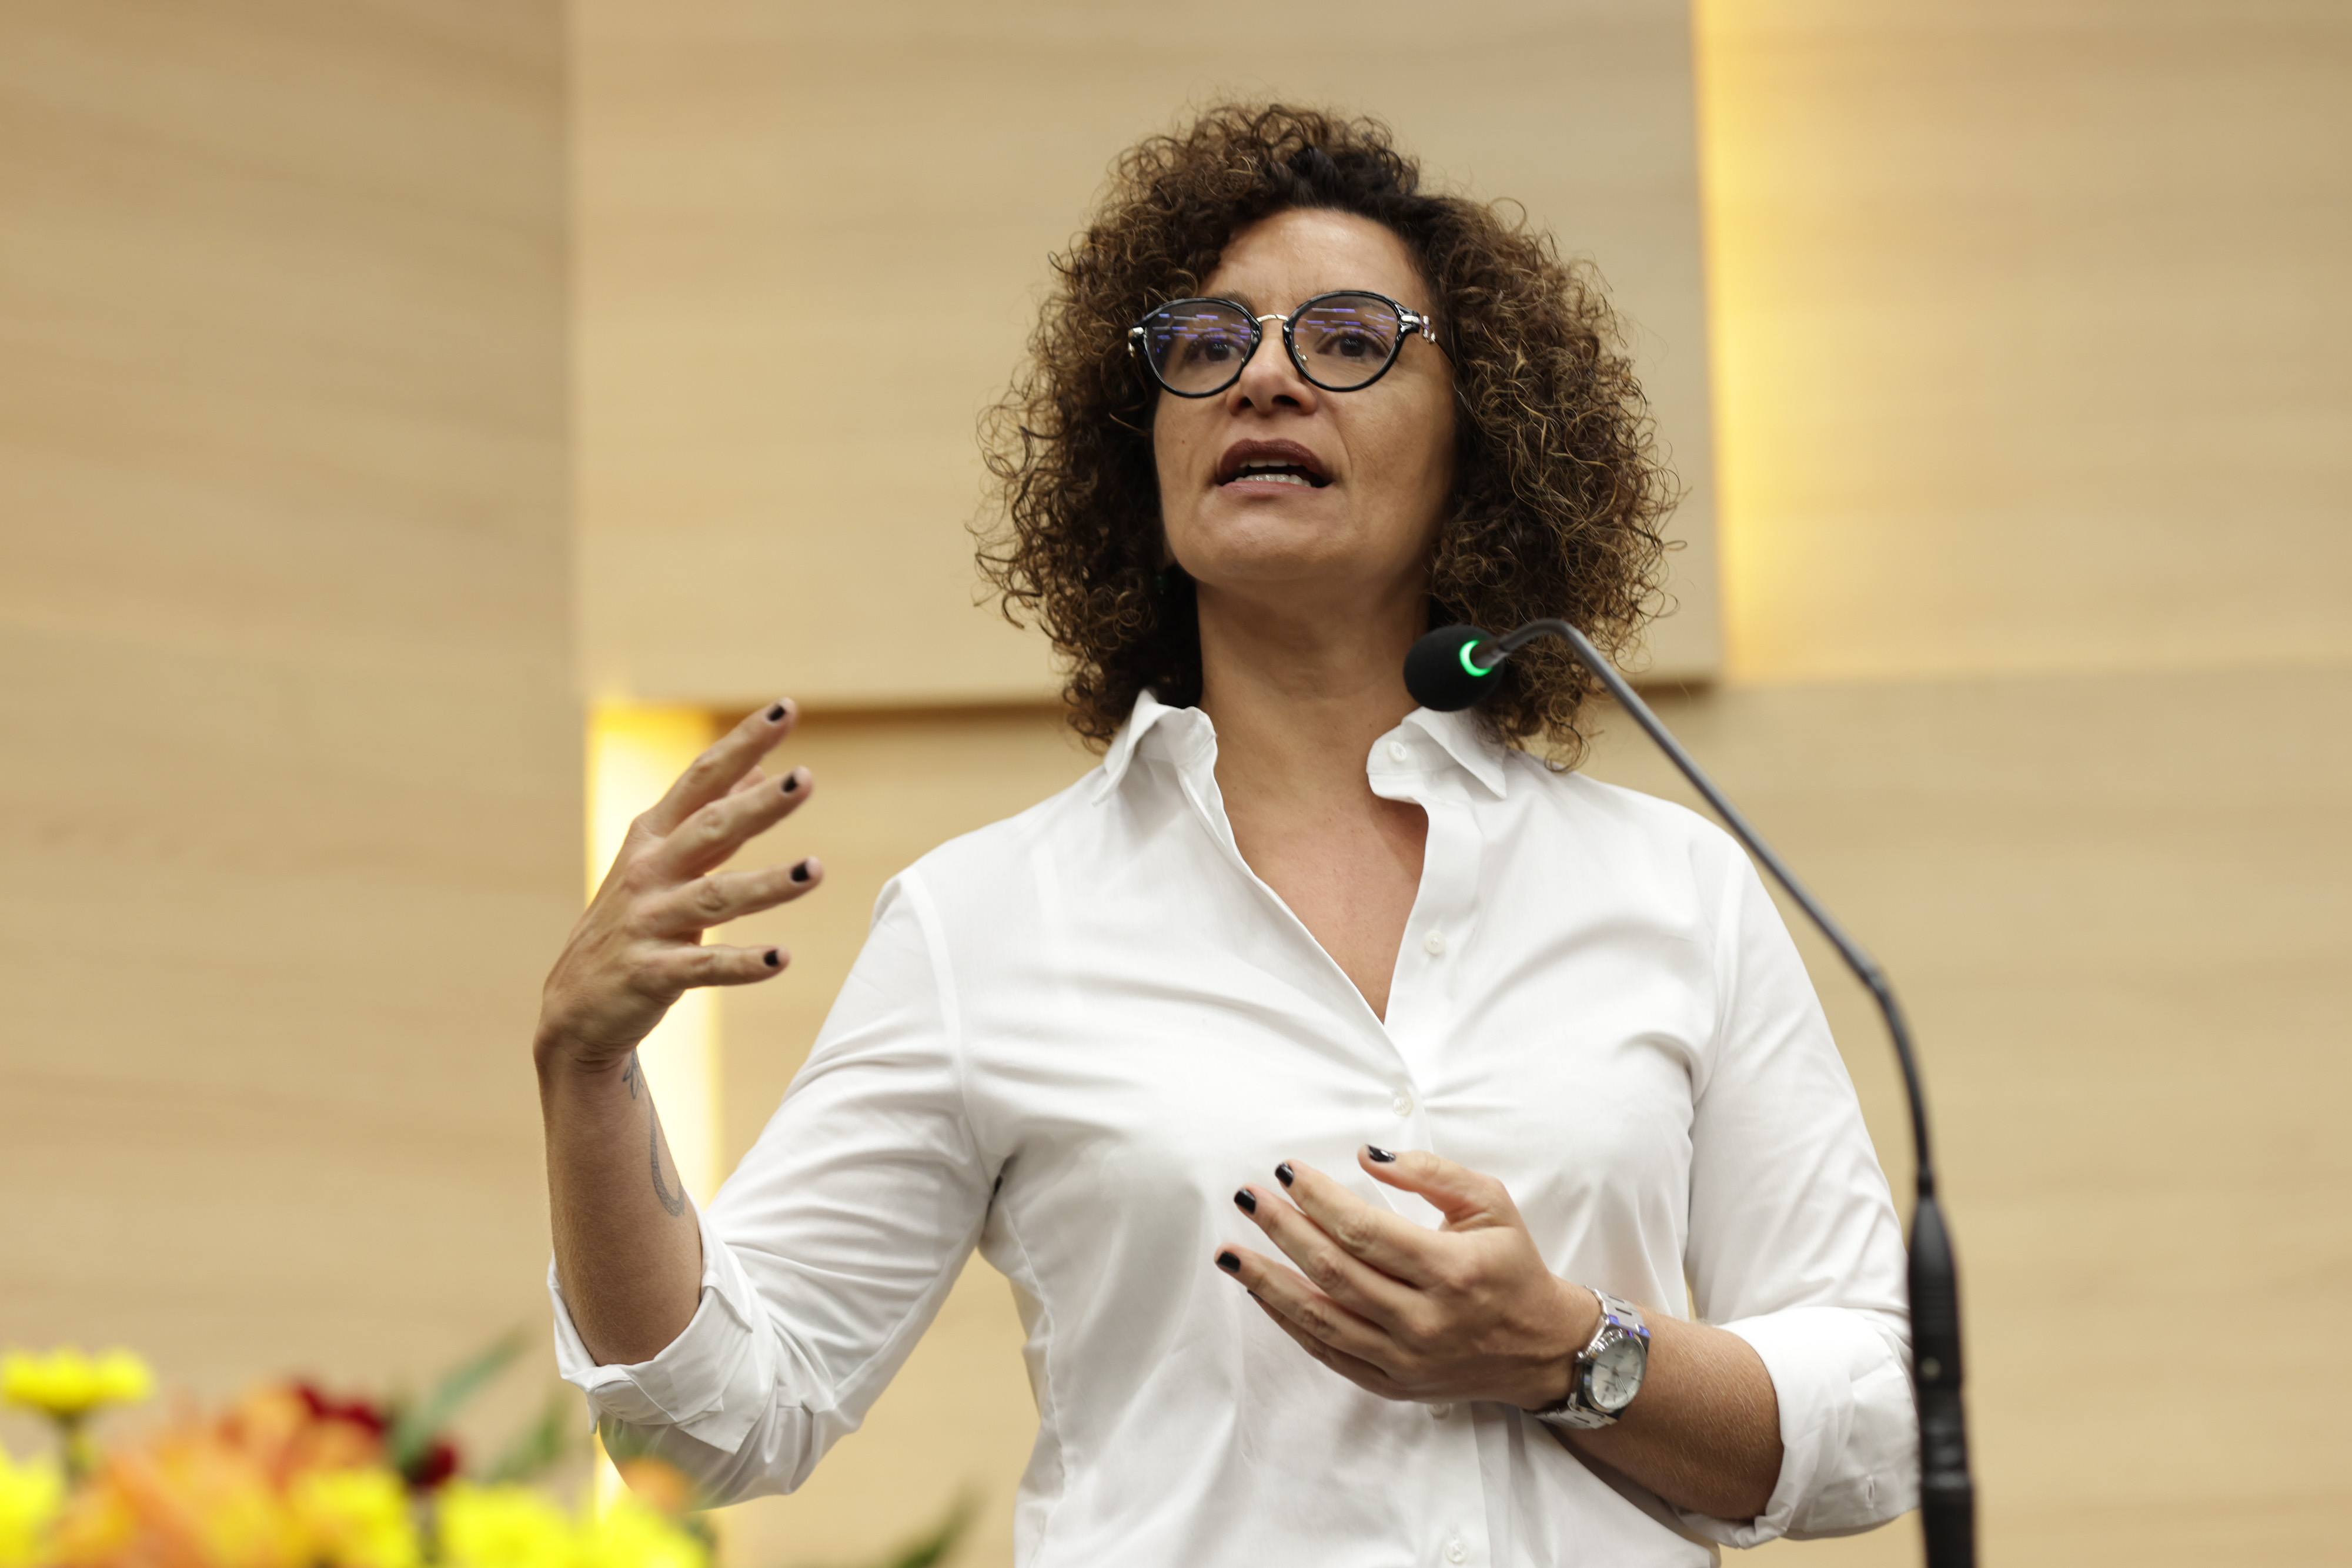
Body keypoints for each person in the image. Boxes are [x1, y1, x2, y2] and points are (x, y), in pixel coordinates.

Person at [533, 105, 1915, 1566]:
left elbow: (1875, 1411)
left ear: (1481, 438)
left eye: (1347, 338)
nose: (1261, 373)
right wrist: (587, 1073)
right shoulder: (987, 917)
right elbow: (707, 1430)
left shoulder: (1671, 883)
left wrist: (1564, 1348)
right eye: (1203, 343)